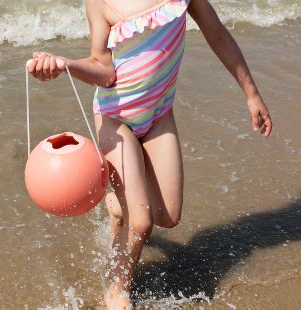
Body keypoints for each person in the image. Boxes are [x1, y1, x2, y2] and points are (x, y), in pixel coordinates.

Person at [27, 0, 273, 308]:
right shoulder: (100, 3)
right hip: (115, 118)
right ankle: (117, 289)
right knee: (141, 222)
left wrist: (251, 94)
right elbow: (104, 71)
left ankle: (119, 203)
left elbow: (218, 35)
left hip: (158, 114)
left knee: (167, 216)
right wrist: (66, 64)